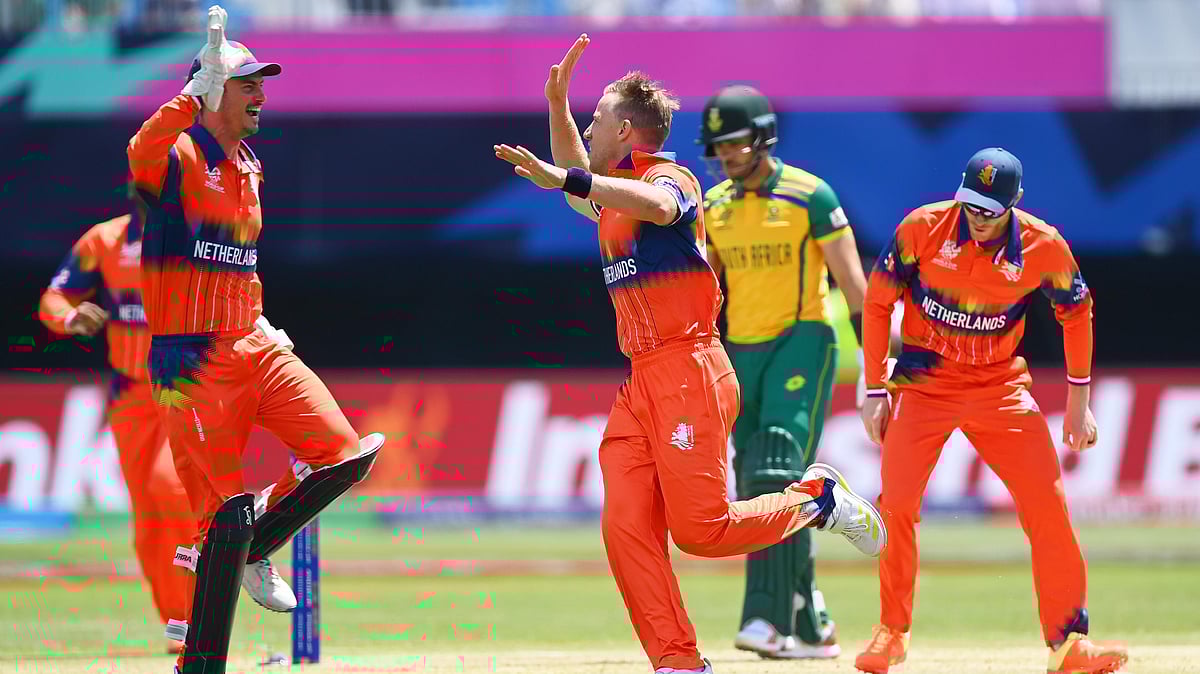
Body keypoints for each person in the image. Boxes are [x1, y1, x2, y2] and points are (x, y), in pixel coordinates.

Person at [493, 33, 886, 674]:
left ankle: (815, 499)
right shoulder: (609, 190)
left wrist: (567, 172)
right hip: (640, 382)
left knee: (700, 532)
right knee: (625, 532)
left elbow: (641, 201)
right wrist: (559, 105)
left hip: (689, 369)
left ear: (625, 129)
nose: (588, 130)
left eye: (596, 120)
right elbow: (576, 181)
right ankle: (677, 660)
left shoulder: (670, 181)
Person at [127, 6, 382, 671]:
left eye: (261, 84)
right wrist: (187, 98)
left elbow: (238, 259)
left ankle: (254, 548)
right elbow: (139, 154)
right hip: (192, 358)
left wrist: (261, 316)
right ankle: (201, 664)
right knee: (226, 516)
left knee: (346, 455)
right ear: (214, 92)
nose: (262, 96)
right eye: (248, 85)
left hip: (255, 342)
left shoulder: (251, 166)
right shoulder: (178, 155)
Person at [857, 147, 1129, 674]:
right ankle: (892, 632)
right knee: (896, 505)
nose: (978, 218)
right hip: (924, 384)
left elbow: (1077, 313)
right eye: (971, 205)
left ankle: (1069, 644)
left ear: (1014, 203)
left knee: (1047, 505)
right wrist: (874, 390)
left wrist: (1080, 405)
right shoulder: (923, 228)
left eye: (990, 210)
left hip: (1000, 387)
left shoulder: (1043, 245)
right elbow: (876, 301)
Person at [696, 84, 870, 661]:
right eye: (718, 145)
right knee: (755, 481)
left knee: (774, 464)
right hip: (740, 349)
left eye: (737, 142)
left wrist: (877, 375)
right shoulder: (713, 205)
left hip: (803, 338)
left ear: (764, 136)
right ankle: (811, 617)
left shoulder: (810, 195)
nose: (727, 154)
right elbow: (706, 294)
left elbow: (855, 291)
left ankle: (764, 620)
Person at [39, 208, 195, 655]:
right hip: (130, 395)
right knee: (147, 527)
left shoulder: (196, 236)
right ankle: (179, 626)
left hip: (185, 387)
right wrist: (70, 319)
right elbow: (53, 298)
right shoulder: (105, 241)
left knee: (169, 486)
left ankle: (206, 602)